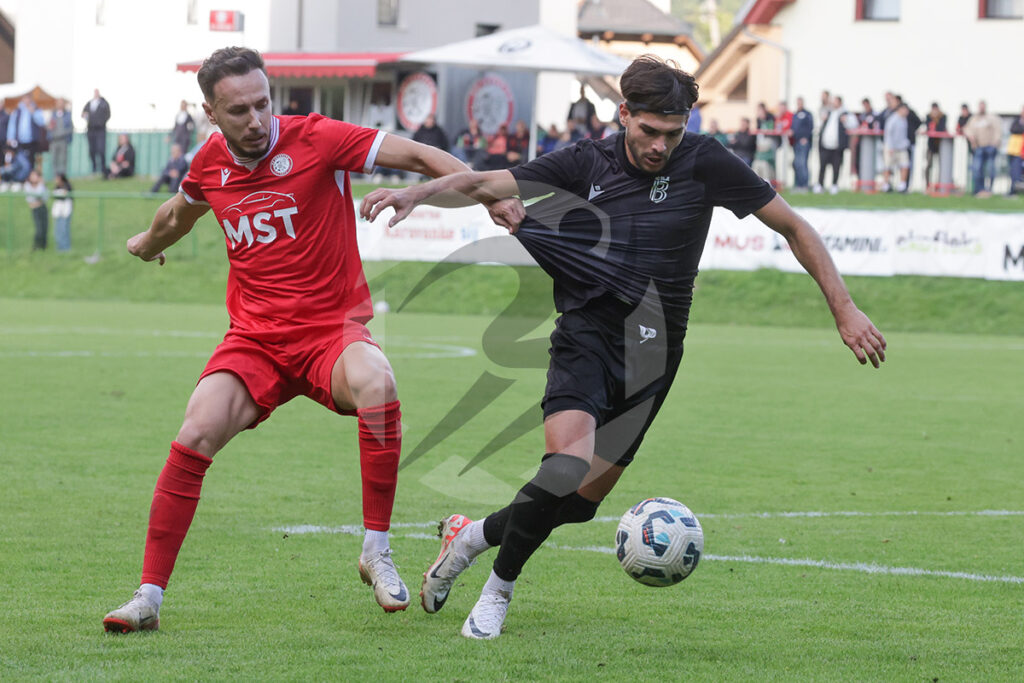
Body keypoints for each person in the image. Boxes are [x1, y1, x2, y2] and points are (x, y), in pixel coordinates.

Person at [359, 54, 886, 641]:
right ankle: (497, 590)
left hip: (654, 352)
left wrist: (844, 308)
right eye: (650, 130)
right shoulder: (585, 162)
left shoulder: (706, 161)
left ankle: (471, 537)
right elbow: (483, 183)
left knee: (579, 503)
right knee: (564, 467)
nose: (661, 145)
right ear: (624, 114)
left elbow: (793, 227)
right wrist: (418, 193)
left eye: (673, 133)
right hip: (587, 333)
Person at [101, 46, 517, 634]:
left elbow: (419, 155)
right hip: (256, 341)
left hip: (330, 333)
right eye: (238, 110)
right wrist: (145, 244)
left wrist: (491, 194)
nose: (256, 119)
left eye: (262, 103)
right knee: (194, 432)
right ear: (210, 114)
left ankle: (376, 549)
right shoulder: (210, 163)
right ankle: (147, 598)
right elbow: (177, 214)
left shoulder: (318, 138)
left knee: (377, 381)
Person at [962, 100, 1002, 197]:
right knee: (977, 169)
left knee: (990, 169)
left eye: (983, 106)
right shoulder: (974, 119)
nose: (981, 108)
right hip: (979, 147)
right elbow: (966, 129)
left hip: (990, 147)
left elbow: (998, 131)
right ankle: (979, 189)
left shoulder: (991, 118)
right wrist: (971, 137)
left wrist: (995, 143)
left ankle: (989, 189)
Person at [815, 95, 850, 194]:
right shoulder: (828, 112)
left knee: (836, 167)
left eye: (835, 101)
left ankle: (834, 185)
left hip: (837, 147)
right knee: (822, 166)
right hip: (825, 145)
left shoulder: (844, 113)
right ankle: (820, 184)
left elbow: (851, 124)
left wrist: (845, 120)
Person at [6, 95, 46, 170]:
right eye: (25, 99)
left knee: (31, 161)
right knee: (21, 161)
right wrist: (10, 137)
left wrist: (33, 112)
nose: (26, 101)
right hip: (20, 142)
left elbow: (41, 122)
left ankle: (31, 175)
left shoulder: (36, 109)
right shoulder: (17, 111)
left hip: (32, 142)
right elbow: (12, 125)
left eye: (28, 98)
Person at [882, 103, 910, 192]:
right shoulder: (892, 119)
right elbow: (888, 134)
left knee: (905, 165)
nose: (906, 112)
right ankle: (886, 184)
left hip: (902, 147)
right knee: (888, 166)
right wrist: (890, 147)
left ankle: (902, 185)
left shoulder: (904, 119)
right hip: (891, 147)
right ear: (900, 109)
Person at [82, 88, 111, 175]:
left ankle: (102, 168)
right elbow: (83, 113)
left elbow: (108, 114)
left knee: (101, 149)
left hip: (100, 130)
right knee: (92, 150)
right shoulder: (89, 103)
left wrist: (101, 122)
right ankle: (94, 168)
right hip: (91, 129)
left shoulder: (104, 103)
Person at [923, 102, 948, 190]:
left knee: (941, 166)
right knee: (928, 165)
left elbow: (941, 128)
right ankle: (927, 185)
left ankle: (939, 185)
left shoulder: (943, 117)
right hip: (931, 145)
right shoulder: (928, 116)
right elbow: (928, 127)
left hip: (940, 145)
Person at [791, 96, 813, 191]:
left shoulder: (807, 114)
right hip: (796, 143)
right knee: (796, 164)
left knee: (802, 163)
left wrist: (806, 138)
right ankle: (798, 185)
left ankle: (804, 185)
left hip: (803, 143)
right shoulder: (795, 114)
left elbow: (810, 127)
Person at [49, 98, 74, 177]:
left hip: (63, 140)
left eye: (61, 103)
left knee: (62, 159)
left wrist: (62, 133)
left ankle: (62, 177)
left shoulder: (68, 114)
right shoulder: (53, 114)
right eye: (58, 103)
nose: (60, 105)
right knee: (54, 159)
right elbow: (49, 126)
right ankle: (55, 176)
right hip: (54, 140)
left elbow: (71, 128)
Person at [753, 102, 777, 185]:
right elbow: (758, 131)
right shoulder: (758, 119)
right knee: (757, 163)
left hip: (770, 140)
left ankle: (771, 181)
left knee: (767, 163)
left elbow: (771, 129)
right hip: (762, 140)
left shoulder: (770, 117)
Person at [25, 169, 48, 250]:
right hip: (35, 209)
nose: (33, 177)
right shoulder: (27, 185)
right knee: (39, 229)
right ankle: (36, 246)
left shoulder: (41, 185)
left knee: (44, 228)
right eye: (32, 176)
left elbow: (44, 197)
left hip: (43, 208)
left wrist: (41, 184)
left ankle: (43, 247)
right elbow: (31, 199)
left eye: (35, 175)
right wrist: (38, 200)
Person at [52, 173, 73, 252]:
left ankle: (65, 248)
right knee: (58, 230)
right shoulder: (57, 187)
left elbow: (64, 196)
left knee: (64, 229)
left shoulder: (67, 186)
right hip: (58, 211)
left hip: (65, 211)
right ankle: (60, 247)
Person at [1007, 106, 1024, 196]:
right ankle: (1013, 191)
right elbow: (1013, 129)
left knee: (1018, 173)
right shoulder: (1016, 121)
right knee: (1014, 172)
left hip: (1021, 152)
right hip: (1014, 151)